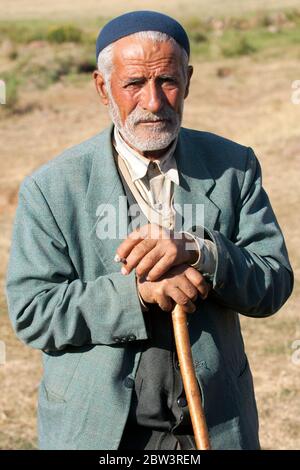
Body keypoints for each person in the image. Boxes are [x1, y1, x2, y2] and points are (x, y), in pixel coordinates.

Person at [6, 11, 293, 450]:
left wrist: (202, 252)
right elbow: (33, 313)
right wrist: (137, 294)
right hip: (98, 431)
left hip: (212, 424)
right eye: (134, 84)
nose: (154, 102)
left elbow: (272, 282)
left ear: (189, 80)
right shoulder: (52, 187)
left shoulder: (233, 167)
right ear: (103, 88)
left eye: (168, 82)